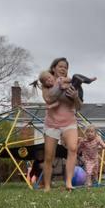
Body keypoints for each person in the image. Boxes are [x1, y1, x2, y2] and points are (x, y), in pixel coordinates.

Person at [41, 57, 82, 192]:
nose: (63, 69)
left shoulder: (73, 83)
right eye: (60, 66)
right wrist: (59, 86)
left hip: (69, 122)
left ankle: (69, 182)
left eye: (65, 67)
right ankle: (47, 186)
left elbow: (79, 107)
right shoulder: (47, 82)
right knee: (49, 156)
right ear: (54, 68)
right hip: (52, 124)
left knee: (73, 148)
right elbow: (48, 99)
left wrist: (75, 97)